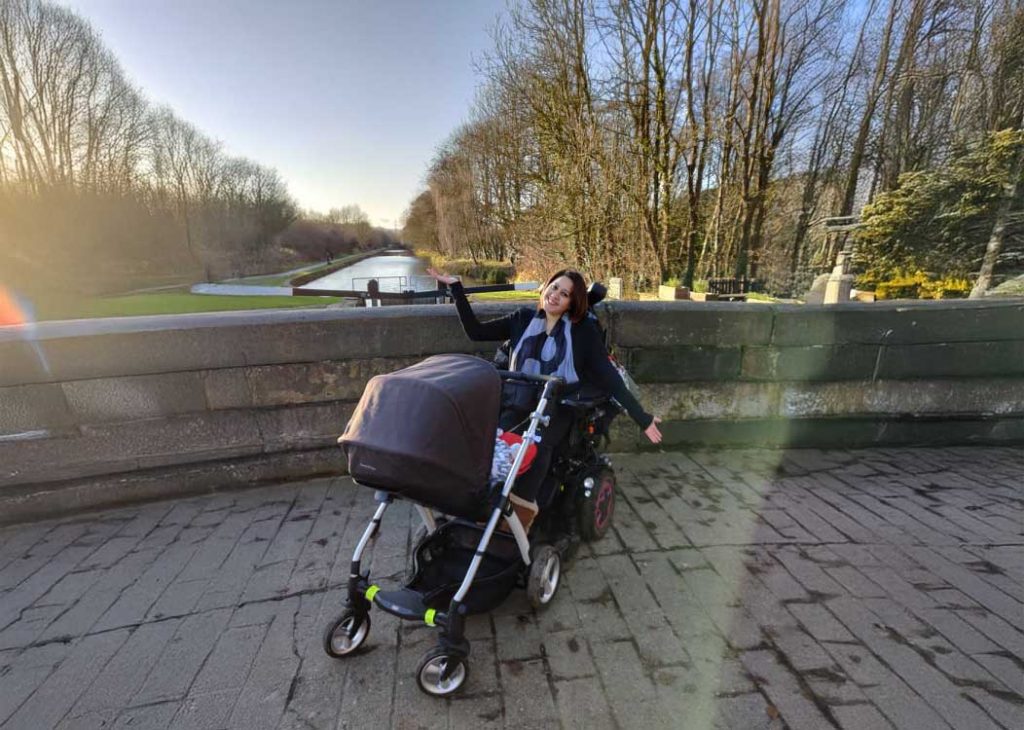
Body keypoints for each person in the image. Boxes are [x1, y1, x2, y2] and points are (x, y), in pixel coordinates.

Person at [428, 267, 662, 532]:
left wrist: (641, 417)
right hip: (519, 398)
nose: (555, 296)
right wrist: (457, 290)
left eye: (565, 294)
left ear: (572, 303)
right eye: (554, 288)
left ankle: (522, 513)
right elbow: (475, 332)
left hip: (559, 404)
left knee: (537, 445)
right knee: (495, 439)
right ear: (545, 288)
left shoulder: (582, 331)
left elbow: (609, 377)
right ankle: (481, 499)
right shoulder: (522, 318)